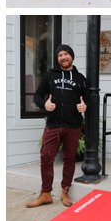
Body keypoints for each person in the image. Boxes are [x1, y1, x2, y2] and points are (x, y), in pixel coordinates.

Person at [25, 45, 88, 208]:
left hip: (73, 126)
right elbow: (38, 96)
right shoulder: (50, 76)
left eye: (66, 54)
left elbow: (88, 99)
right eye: (60, 54)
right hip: (53, 125)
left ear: (72, 56)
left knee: (69, 159)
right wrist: (44, 105)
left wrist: (85, 107)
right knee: (46, 157)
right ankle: (46, 193)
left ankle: (65, 191)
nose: (63, 57)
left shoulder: (80, 78)